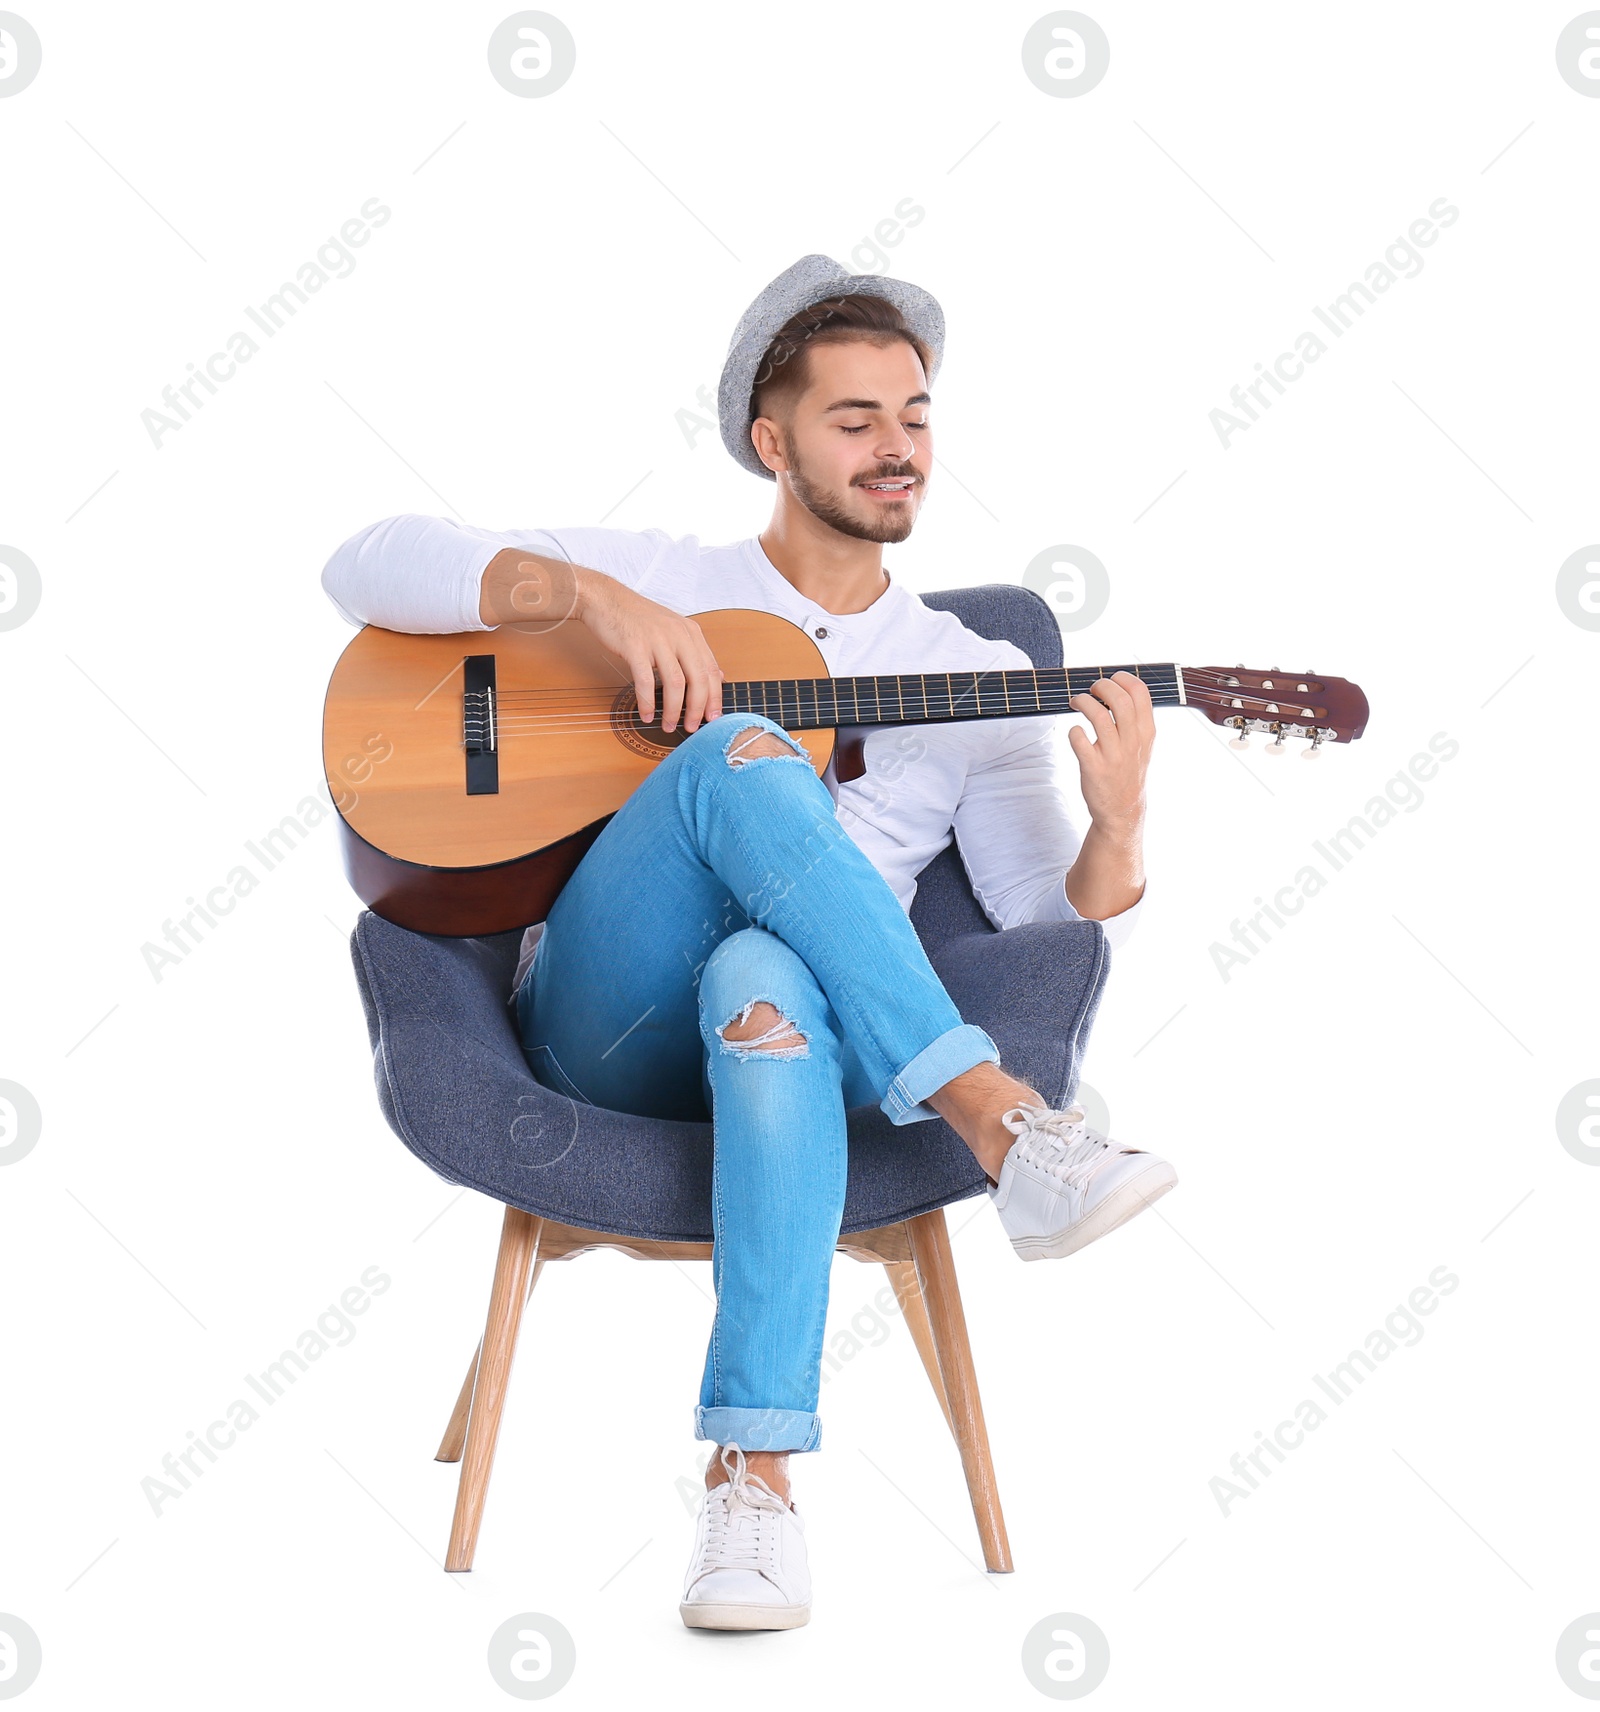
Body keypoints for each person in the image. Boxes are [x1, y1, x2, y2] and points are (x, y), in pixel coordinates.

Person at [321, 253, 1177, 1633]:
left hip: (826, 1045)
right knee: (735, 746)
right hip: (606, 1022)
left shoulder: (980, 672)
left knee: (765, 976)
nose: (898, 446)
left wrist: (1121, 823)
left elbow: (1040, 925)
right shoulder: (662, 575)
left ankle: (756, 1491)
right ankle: (1009, 1128)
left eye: (915, 412)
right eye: (857, 419)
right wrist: (590, 606)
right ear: (772, 444)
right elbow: (361, 559)